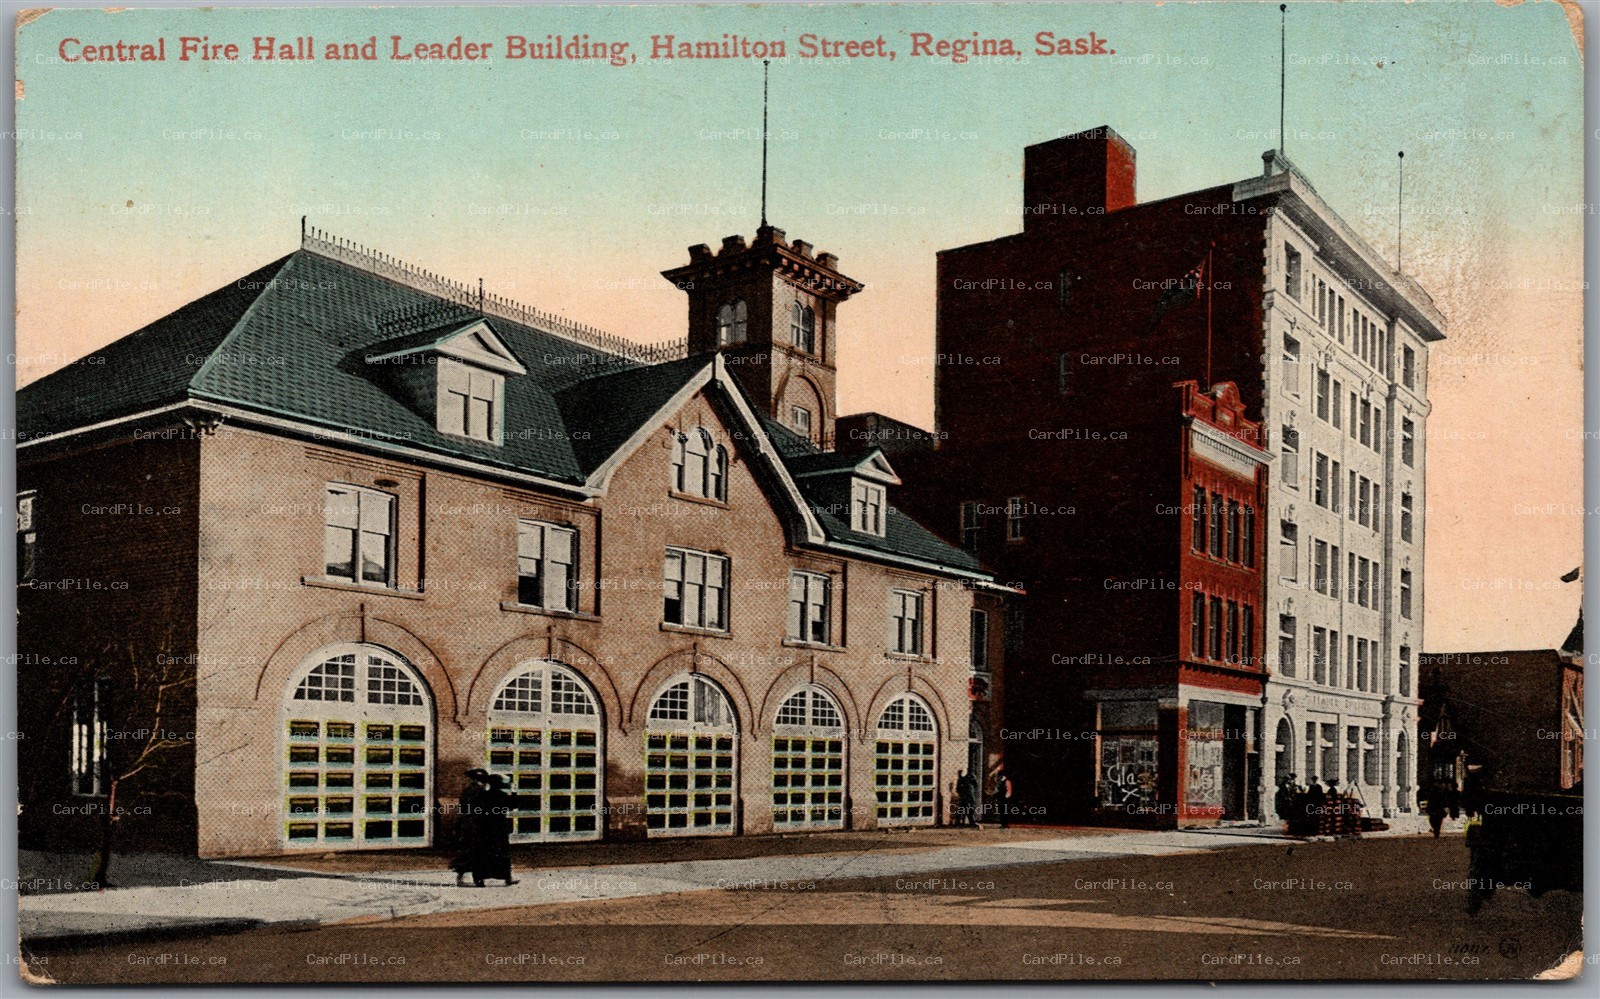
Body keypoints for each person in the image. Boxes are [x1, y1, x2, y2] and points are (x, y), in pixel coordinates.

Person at [463, 772, 530, 887]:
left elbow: (474, 811)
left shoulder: (481, 795)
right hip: (499, 827)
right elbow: (514, 804)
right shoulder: (501, 796)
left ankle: (479, 879)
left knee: (481, 853)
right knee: (502, 853)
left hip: (483, 828)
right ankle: (507, 878)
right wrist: (514, 792)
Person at [449, 768, 490, 886]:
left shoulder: (466, 790)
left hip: (467, 823)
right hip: (478, 824)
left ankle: (460, 876)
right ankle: (478, 879)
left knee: (467, 851)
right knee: (478, 852)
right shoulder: (481, 790)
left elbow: (462, 808)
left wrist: (458, 824)